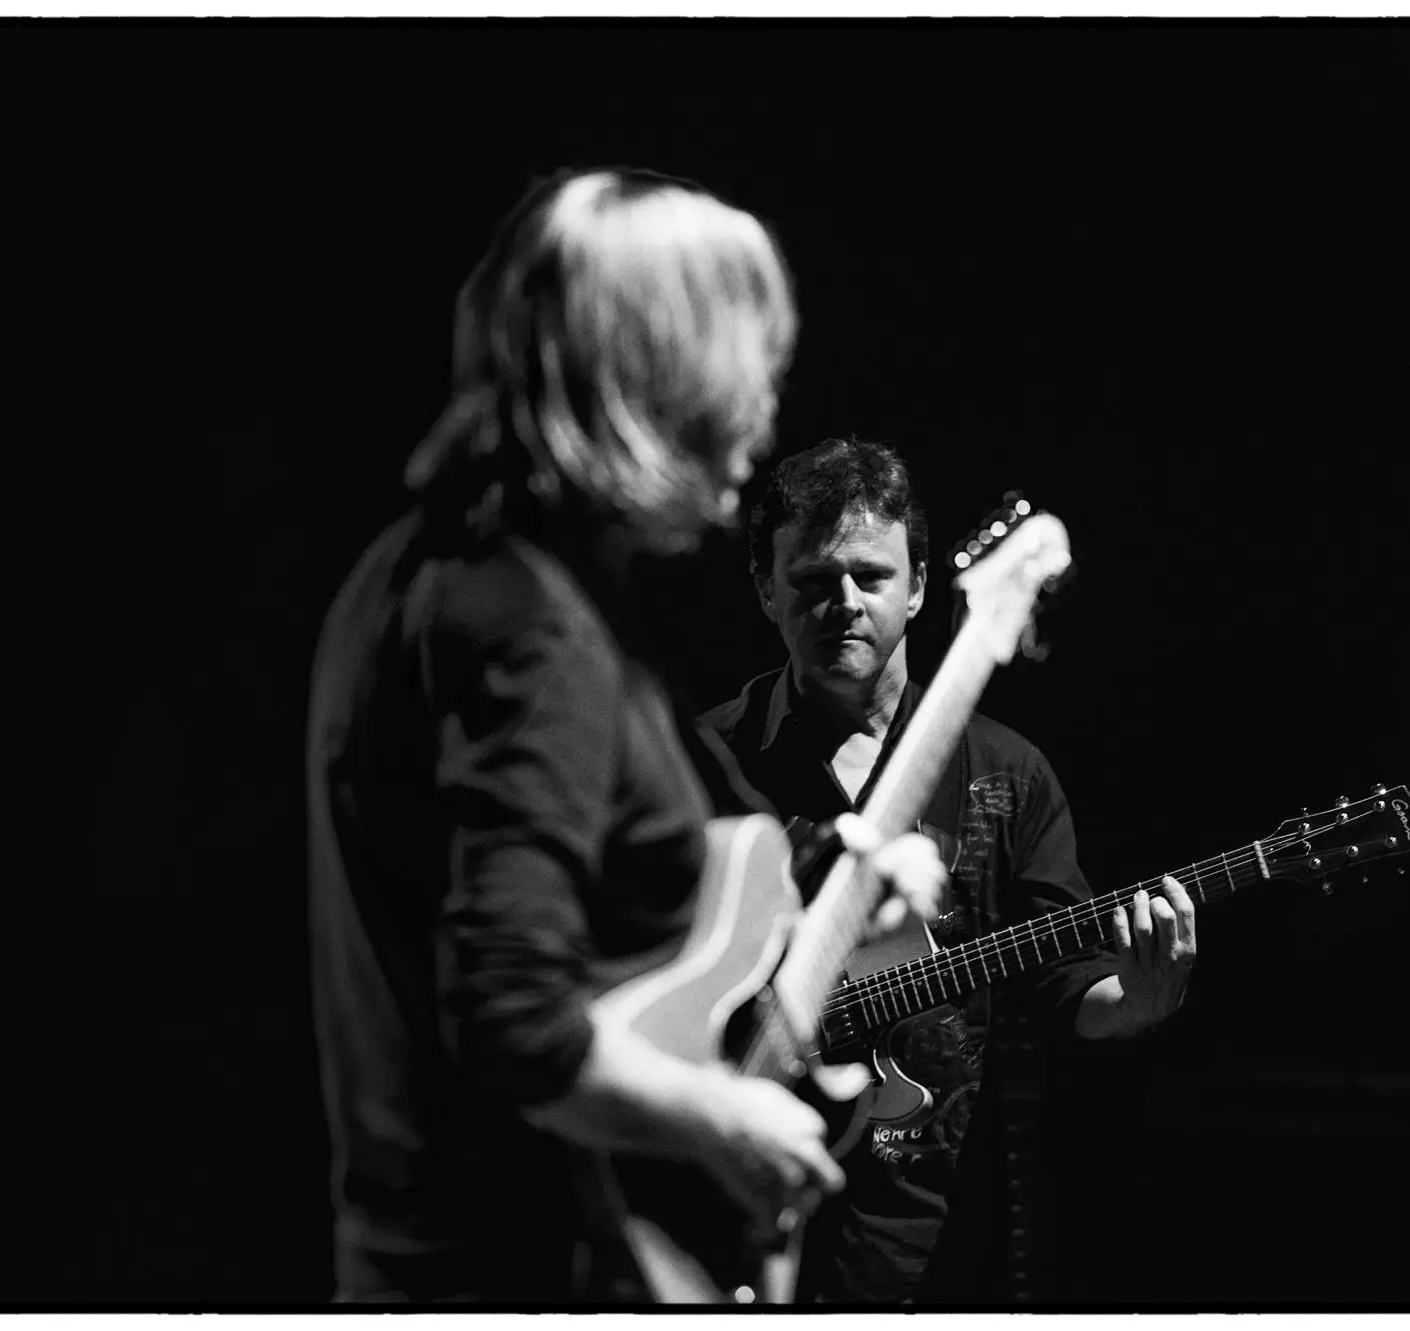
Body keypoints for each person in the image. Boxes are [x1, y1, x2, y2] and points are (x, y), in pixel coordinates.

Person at [304, 170, 943, 1304]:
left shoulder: (418, 573)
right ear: (663, 370)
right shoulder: (534, 632)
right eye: (748, 369)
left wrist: (825, 909)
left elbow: (618, 942)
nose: (759, 415)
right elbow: (514, 1015)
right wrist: (725, 1119)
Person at [698, 437, 1199, 1303]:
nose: (843, 603)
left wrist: (1140, 1000)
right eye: (813, 580)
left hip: (936, 1238)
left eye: (871, 576)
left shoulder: (1009, 774)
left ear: (921, 585)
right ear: (766, 589)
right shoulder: (709, 764)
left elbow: (1068, 985)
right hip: (727, 1197)